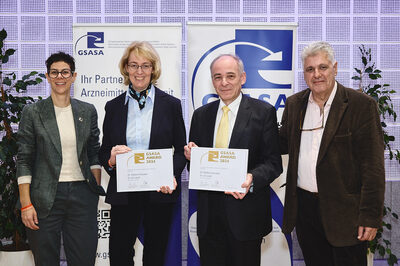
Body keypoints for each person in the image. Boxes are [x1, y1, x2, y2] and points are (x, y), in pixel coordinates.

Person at [279, 41, 385, 266]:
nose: (316, 74)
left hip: (346, 215)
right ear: (304, 74)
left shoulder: (361, 106)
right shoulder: (294, 104)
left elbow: (373, 167)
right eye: (310, 69)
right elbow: (279, 144)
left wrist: (369, 216)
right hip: (306, 211)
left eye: (322, 67)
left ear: (335, 68)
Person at [184, 54, 282, 266]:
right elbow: (195, 169)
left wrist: (251, 178)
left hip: (246, 216)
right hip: (210, 219)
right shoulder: (201, 116)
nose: (224, 82)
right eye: (218, 77)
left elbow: (274, 163)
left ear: (243, 77)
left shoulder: (263, 112)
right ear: (212, 81)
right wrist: (192, 157)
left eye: (230, 76)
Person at [98, 41, 186, 266]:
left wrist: (170, 175)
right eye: (134, 65)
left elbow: (180, 150)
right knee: (119, 253)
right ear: (125, 68)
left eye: (145, 66)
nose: (139, 71)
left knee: (156, 253)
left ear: (153, 69)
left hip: (159, 190)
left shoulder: (171, 105)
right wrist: (110, 159)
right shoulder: (113, 106)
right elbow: (104, 151)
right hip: (124, 191)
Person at [16, 52, 105, 265]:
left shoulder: (87, 110)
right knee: (46, 260)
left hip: (82, 197)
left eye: (65, 72)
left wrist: (94, 186)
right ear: (47, 76)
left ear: (73, 76)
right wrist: (26, 204)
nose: (60, 77)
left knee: (84, 259)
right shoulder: (33, 112)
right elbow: (24, 159)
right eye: (54, 72)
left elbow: (94, 152)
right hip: (44, 199)